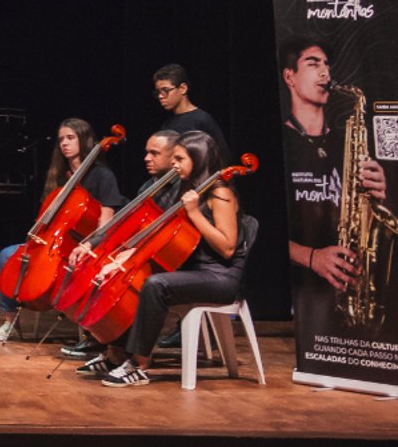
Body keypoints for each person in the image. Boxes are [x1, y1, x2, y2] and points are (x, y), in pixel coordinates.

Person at [86, 131, 256, 387]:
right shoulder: (189, 190)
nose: (174, 163)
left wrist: (195, 214)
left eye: (180, 158)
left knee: (156, 285)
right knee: (138, 278)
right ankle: (117, 354)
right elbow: (162, 237)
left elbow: (228, 248)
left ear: (198, 159)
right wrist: (128, 255)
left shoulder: (220, 194)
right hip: (195, 270)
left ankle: (139, 364)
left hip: (220, 277)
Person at [277, 40, 390, 338]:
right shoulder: (280, 144)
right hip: (303, 289)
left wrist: (376, 196)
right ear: (289, 76)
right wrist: (312, 257)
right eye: (314, 64)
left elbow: (364, 216)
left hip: (352, 284)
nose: (325, 73)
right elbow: (258, 228)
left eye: (327, 64)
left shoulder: (347, 142)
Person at [0, 119, 123, 341]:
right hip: (54, 242)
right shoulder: (59, 176)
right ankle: (9, 324)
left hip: (84, 245)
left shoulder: (102, 176)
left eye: (70, 138)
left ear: (85, 140)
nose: (64, 144)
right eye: (61, 139)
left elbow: (106, 223)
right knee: (7, 255)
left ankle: (87, 336)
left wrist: (88, 246)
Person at [59, 130, 182, 360]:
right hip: (142, 253)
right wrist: (91, 244)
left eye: (154, 153)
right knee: (102, 272)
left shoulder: (183, 191)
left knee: (126, 287)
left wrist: (135, 252)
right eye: (146, 152)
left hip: (166, 260)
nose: (146, 158)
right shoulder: (148, 186)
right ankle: (110, 349)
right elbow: (121, 224)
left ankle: (127, 358)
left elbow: (168, 237)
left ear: (174, 157)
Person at [153, 63, 229, 159]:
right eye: (158, 92)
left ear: (183, 89)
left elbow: (221, 156)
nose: (160, 96)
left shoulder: (202, 120)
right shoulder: (167, 124)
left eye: (165, 90)